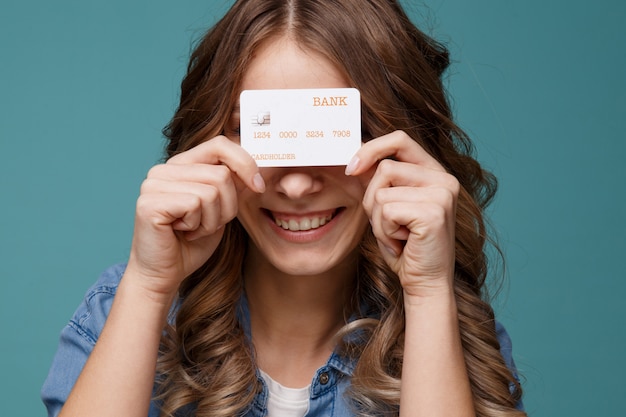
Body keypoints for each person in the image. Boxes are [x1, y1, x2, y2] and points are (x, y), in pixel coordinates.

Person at [42, 1, 526, 416]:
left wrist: (425, 292)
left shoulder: (447, 330)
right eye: (264, 136)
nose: (295, 185)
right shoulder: (122, 309)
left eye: (333, 136)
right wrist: (148, 287)